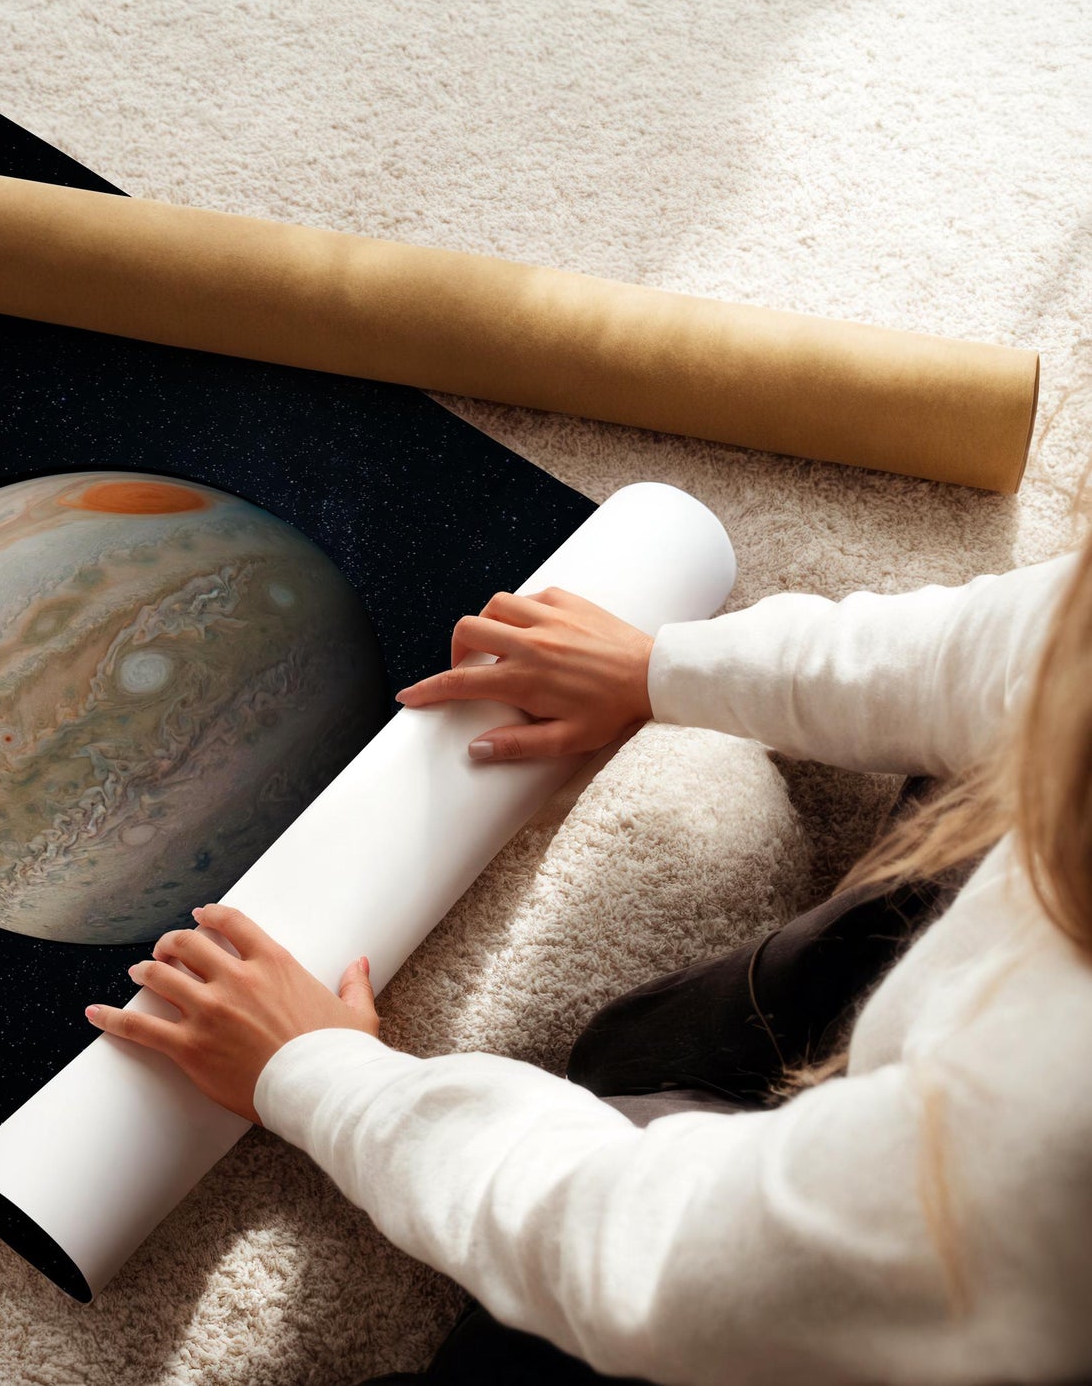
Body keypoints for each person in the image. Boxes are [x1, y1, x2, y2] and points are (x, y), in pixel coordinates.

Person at [84, 545, 1092, 1384]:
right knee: (645, 1049)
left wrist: (322, 1077)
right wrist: (659, 666)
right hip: (958, 1087)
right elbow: (1021, 645)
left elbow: (654, 1259)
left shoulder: (1042, 1138)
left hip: (952, 1289)